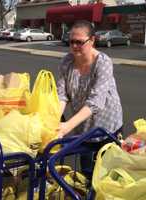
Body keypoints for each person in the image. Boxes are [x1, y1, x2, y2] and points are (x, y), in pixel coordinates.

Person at [57, 20, 123, 177]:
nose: (74, 46)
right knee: (87, 174)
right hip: (84, 130)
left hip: (107, 128)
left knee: (107, 176)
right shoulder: (66, 62)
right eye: (71, 41)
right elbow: (62, 94)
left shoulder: (103, 63)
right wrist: (55, 121)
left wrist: (67, 126)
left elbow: (96, 101)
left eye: (79, 42)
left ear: (92, 40)